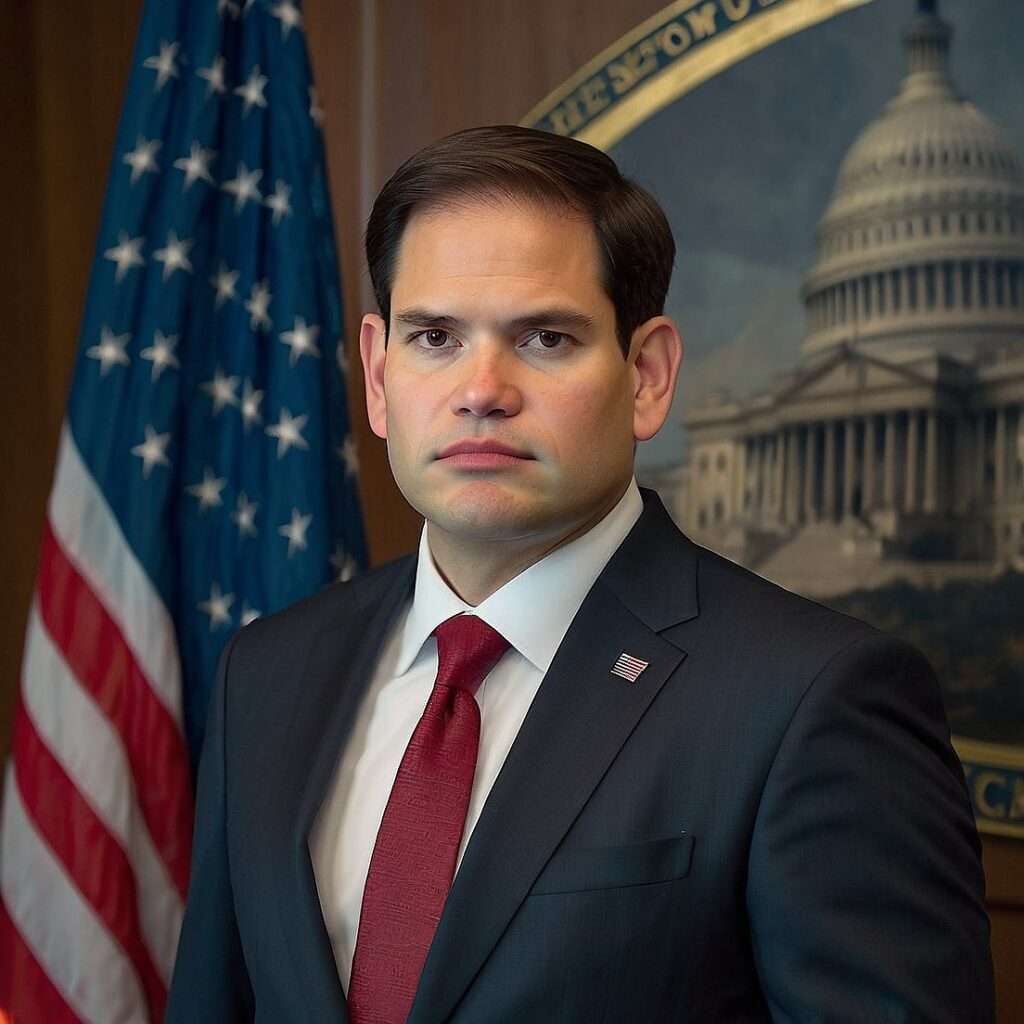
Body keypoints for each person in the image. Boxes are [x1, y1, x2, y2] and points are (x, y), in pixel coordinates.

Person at [167, 125, 994, 1023]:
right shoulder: (267, 674)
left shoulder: (813, 702)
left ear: (645, 375)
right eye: (435, 336)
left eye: (546, 339)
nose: (481, 389)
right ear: (377, 374)